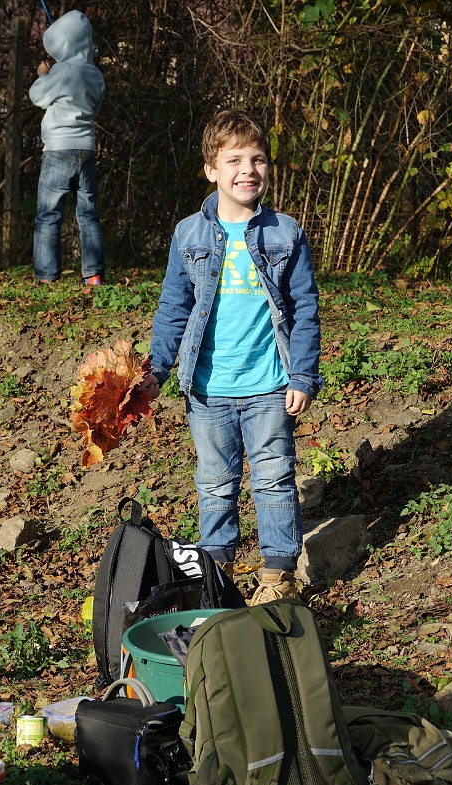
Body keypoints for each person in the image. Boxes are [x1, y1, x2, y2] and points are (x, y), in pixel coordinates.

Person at [139, 109, 322, 604]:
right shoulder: (189, 235)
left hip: (269, 386)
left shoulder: (286, 233)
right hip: (208, 390)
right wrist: (156, 369)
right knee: (215, 482)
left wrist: (302, 376)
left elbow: (304, 307)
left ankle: (278, 576)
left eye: (258, 159)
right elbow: (174, 307)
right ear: (211, 170)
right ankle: (216, 573)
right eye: (235, 159)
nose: (248, 169)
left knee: (274, 478)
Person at [29, 9, 105, 285]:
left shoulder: (61, 72)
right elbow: (95, 108)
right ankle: (94, 275)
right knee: (88, 214)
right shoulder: (96, 75)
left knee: (49, 214)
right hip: (87, 150)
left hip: (58, 151)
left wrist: (42, 75)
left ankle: (47, 276)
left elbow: (37, 96)